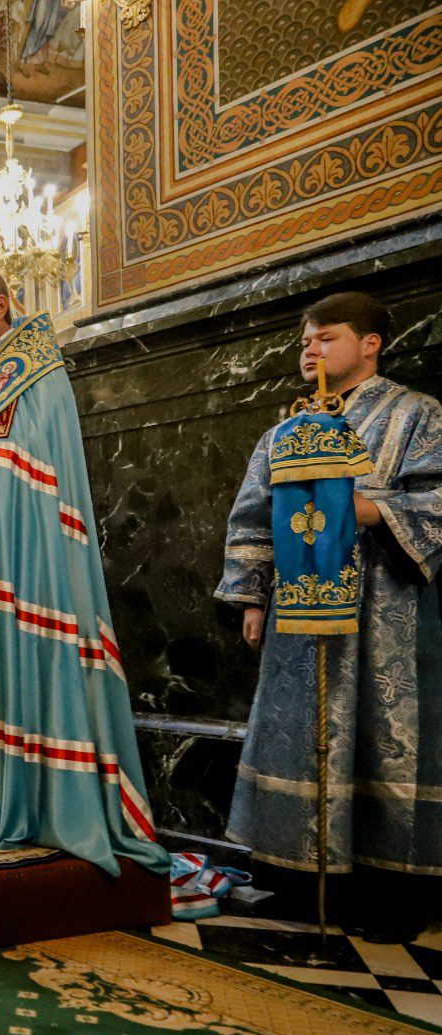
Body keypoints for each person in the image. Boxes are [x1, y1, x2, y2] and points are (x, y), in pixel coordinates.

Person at [0, 262, 165, 877]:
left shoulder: (36, 377)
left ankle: (7, 802)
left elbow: (30, 477)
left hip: (13, 569)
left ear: (1, 306)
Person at [217, 292, 441, 941]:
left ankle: (387, 890)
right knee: (297, 732)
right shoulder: (286, 431)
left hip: (387, 613)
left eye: (326, 337)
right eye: (304, 341)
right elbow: (252, 514)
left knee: (383, 737)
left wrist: (365, 508)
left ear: (370, 344)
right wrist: (253, 596)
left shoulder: (416, 414)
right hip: (296, 617)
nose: (310, 350)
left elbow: (437, 497)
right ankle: (296, 877)